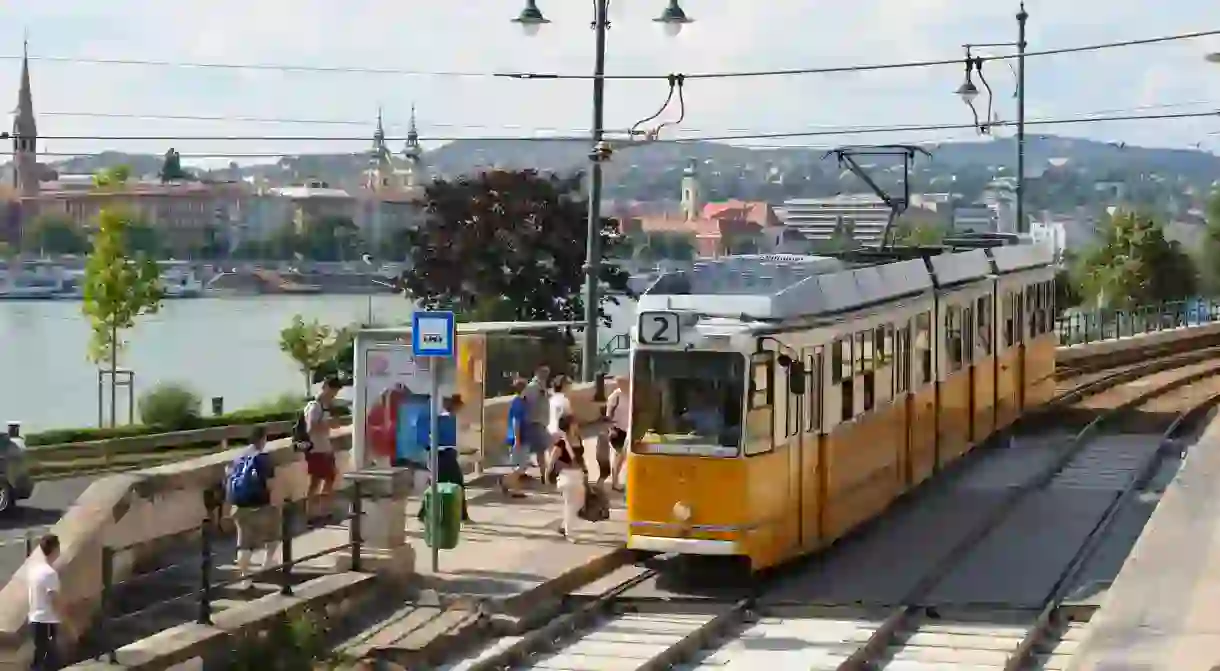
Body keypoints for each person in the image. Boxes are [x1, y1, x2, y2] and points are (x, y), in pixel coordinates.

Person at [226, 425, 280, 591]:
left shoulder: (238, 457)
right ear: (263, 439)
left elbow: (229, 476)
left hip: (239, 504)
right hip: (259, 503)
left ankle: (245, 578)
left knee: (244, 543)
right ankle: (268, 561)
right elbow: (271, 484)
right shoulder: (263, 458)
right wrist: (276, 503)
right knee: (273, 532)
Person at [416, 394, 471, 524]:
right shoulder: (442, 417)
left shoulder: (445, 418)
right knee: (450, 483)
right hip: (442, 454)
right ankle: (461, 515)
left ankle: (424, 512)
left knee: (441, 483)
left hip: (444, 453)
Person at [303, 376, 344, 523]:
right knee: (319, 481)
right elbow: (311, 428)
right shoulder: (315, 407)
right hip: (317, 450)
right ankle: (316, 513)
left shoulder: (323, 406)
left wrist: (330, 425)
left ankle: (318, 511)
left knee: (326, 479)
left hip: (323, 448)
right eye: (333, 391)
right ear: (326, 387)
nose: (334, 395)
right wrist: (328, 424)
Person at [28, 534, 68, 671]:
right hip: (47, 621)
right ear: (56, 549)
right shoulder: (50, 574)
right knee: (49, 660)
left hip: (35, 618)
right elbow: (53, 599)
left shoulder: (34, 571)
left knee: (40, 656)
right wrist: (65, 620)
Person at [549, 415, 586, 541]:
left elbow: (581, 457)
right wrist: (549, 473)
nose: (577, 424)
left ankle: (564, 526)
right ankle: (569, 533)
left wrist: (585, 471)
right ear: (569, 425)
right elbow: (553, 458)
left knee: (579, 504)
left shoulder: (578, 439)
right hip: (567, 476)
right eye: (574, 423)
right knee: (570, 505)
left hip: (578, 475)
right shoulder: (562, 442)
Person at [597, 377, 629, 492]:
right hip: (617, 429)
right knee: (618, 457)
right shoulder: (615, 396)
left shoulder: (632, 394)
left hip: (628, 429)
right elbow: (608, 414)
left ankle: (617, 480)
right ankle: (615, 482)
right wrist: (611, 429)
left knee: (624, 457)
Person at [500, 378, 529, 498]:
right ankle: (506, 482)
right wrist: (517, 439)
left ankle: (513, 486)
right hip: (519, 438)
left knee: (520, 465)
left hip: (521, 437)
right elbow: (516, 422)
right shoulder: (518, 403)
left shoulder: (520, 401)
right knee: (520, 466)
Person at [521, 364, 552, 481]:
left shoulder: (540, 386)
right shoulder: (533, 387)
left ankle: (543, 473)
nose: (546, 375)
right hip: (535, 423)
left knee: (540, 450)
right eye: (544, 372)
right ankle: (544, 475)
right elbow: (528, 403)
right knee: (541, 450)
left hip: (540, 422)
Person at [547, 375, 576, 440]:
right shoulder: (564, 400)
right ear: (564, 386)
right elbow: (571, 418)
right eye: (569, 385)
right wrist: (573, 434)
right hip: (560, 434)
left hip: (549, 432)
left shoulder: (551, 399)